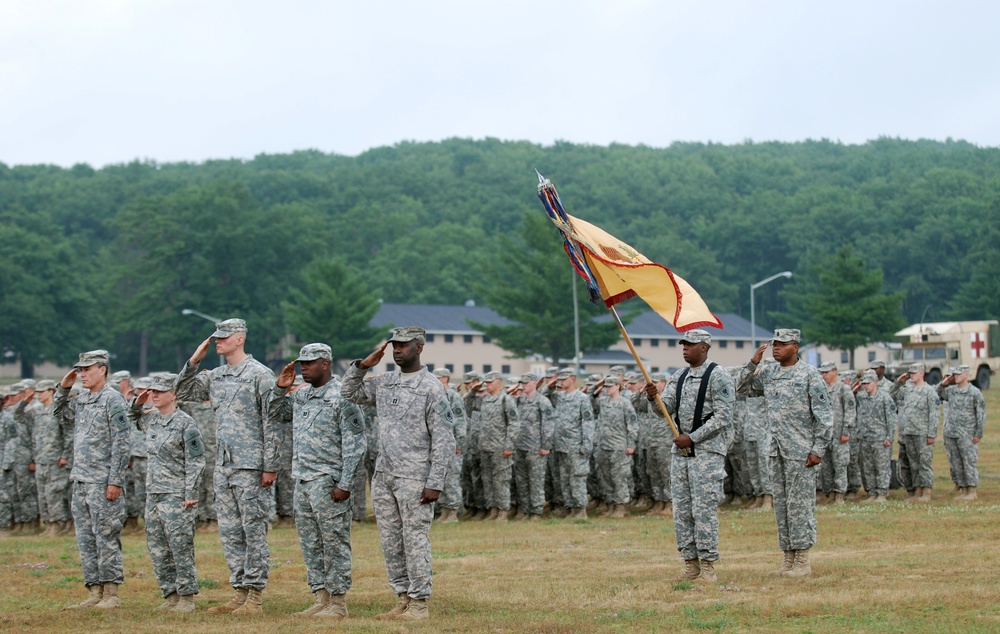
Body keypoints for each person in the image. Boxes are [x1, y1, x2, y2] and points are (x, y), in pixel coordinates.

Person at [341, 326, 456, 622]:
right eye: (394, 345)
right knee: (391, 540)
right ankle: (402, 598)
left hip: (415, 478)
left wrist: (435, 483)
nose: (397, 350)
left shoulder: (431, 387)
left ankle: (419, 603)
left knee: (414, 539)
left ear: (419, 347)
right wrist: (363, 365)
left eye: (404, 345)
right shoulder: (386, 382)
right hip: (385, 475)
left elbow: (444, 439)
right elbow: (349, 391)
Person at [174, 318, 279, 615]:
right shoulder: (217, 376)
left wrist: (270, 465)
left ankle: (255, 596)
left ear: (239, 339)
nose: (217, 342)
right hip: (224, 464)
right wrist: (194, 361)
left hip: (251, 465)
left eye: (223, 337)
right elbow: (181, 392)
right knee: (230, 532)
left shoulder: (261, 375)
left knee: (252, 531)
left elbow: (272, 423)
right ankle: (240, 591)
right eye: (216, 337)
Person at [270, 343, 366, 619]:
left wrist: (345, 484)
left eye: (309, 363)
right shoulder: (301, 398)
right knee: (311, 542)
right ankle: (320, 597)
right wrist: (280, 388)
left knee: (334, 541)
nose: (303, 368)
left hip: (328, 481)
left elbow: (356, 444)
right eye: (301, 363)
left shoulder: (342, 397)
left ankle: (338, 602)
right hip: (303, 480)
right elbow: (276, 413)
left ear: (325, 363)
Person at [738, 329, 832, 578]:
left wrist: (818, 449)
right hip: (776, 450)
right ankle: (788, 558)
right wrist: (752, 363)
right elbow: (742, 390)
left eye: (782, 344)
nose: (776, 348)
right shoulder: (769, 373)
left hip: (801, 451)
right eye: (774, 344)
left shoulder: (810, 375)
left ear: (796, 347)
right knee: (781, 506)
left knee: (800, 506)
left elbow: (825, 417)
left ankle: (803, 560)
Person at [644, 330, 734, 583]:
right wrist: (654, 398)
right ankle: (690, 563)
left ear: (704, 348)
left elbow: (724, 416)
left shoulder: (719, 376)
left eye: (690, 345)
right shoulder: (679, 376)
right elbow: (665, 409)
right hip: (681, 455)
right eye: (683, 344)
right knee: (682, 510)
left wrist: (692, 437)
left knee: (703, 510)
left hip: (706, 453)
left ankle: (708, 566)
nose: (685, 349)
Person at [54, 350, 131, 609]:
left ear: (102, 369)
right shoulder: (82, 398)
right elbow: (60, 417)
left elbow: (122, 443)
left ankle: (111, 594)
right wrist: (63, 390)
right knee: (85, 538)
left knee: (106, 535)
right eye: (80, 370)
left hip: (103, 480)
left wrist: (115, 480)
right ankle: (95, 591)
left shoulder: (113, 400)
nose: (82, 374)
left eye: (87, 369)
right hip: (82, 479)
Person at [128, 374, 205, 612]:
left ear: (174, 394)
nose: (155, 395)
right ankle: (170, 595)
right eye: (152, 391)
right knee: (158, 547)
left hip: (176, 494)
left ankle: (186, 597)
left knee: (180, 546)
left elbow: (196, 461)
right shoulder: (153, 421)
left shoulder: (185, 423)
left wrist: (190, 491)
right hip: (155, 493)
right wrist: (138, 402)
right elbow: (132, 418)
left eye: (160, 391)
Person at [15, 380, 71, 536]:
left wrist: (65, 455)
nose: (38, 395)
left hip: (55, 459)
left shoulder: (58, 410)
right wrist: (25, 401)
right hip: (40, 459)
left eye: (41, 392)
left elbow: (68, 434)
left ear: (51, 391)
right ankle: (48, 523)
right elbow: (18, 417)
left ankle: (57, 524)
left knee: (55, 493)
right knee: (42, 494)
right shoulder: (36, 411)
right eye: (37, 392)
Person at [464, 371, 519, 521]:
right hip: (485, 447)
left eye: (490, 382)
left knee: (501, 481)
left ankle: (502, 512)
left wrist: (509, 446)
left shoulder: (506, 400)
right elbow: (468, 409)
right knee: (487, 481)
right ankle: (492, 510)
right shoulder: (485, 400)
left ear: (499, 383)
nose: (487, 385)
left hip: (500, 448)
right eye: (486, 383)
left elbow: (514, 424)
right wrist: (472, 391)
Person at [544, 369, 595, 520]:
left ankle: (580, 510)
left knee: (577, 478)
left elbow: (588, 422)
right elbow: (544, 397)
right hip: (560, 445)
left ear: (572, 379)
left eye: (564, 379)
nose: (561, 381)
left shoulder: (582, 398)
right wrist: (550, 385)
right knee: (564, 479)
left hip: (576, 446)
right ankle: (570, 508)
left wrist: (586, 444)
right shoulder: (559, 397)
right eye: (559, 379)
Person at [890, 363, 940, 502]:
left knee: (924, 463)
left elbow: (934, 415)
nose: (912, 375)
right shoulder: (907, 390)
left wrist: (932, 434)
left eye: (914, 373)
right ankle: (917, 491)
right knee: (913, 464)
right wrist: (898, 383)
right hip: (909, 432)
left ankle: (927, 491)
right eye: (910, 373)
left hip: (923, 433)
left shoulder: (929, 391)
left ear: (922, 373)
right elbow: (892, 395)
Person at [937, 365, 986, 501]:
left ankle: (972, 490)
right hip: (952, 433)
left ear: (966, 375)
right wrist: (943, 384)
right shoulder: (951, 391)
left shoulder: (974, 392)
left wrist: (978, 434)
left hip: (967, 433)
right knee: (957, 463)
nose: (955, 376)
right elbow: (936, 395)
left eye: (958, 374)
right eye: (954, 374)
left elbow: (981, 415)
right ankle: (963, 490)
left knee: (968, 462)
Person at [592, 376, 638, 519]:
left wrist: (631, 444)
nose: (607, 388)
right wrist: (597, 387)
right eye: (606, 386)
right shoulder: (602, 402)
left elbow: (632, 426)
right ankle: (611, 505)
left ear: (618, 386)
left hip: (619, 446)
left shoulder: (625, 403)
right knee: (606, 477)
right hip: (603, 446)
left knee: (619, 477)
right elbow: (591, 399)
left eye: (610, 386)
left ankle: (621, 507)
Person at [512, 373, 554, 521]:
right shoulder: (519, 401)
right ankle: (525, 510)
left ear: (534, 383)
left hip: (536, 448)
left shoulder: (543, 401)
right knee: (521, 481)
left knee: (535, 481)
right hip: (520, 446)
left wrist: (545, 445)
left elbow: (548, 425)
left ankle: (536, 512)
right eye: (521, 383)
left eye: (526, 383)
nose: (522, 385)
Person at [632, 372, 673, 517]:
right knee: (654, 474)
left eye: (656, 382)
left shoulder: (669, 400)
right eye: (651, 382)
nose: (653, 384)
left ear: (664, 383)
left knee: (666, 474)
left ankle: (669, 503)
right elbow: (634, 403)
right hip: (651, 443)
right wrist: (642, 390)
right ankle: (658, 501)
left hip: (665, 443)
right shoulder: (649, 400)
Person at [852, 370, 896, 503]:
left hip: (880, 438)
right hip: (865, 437)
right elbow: (854, 406)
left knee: (881, 466)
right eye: (864, 383)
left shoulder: (885, 398)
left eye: (868, 383)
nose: (866, 386)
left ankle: (882, 493)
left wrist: (889, 437)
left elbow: (891, 420)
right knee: (867, 467)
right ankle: (871, 492)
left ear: (876, 383)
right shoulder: (861, 397)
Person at [817, 363, 856, 505]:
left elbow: (850, 411)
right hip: (825, 435)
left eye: (826, 372)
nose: (824, 375)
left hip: (839, 435)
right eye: (822, 373)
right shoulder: (822, 390)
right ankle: (830, 493)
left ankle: (840, 494)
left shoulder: (844, 389)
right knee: (826, 466)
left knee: (840, 465)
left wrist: (846, 431)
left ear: (835, 372)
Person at [432, 368, 467, 523]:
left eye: (438, 378)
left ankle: (453, 512)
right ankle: (444, 510)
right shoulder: (434, 396)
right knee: (441, 479)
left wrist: (460, 443)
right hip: (438, 445)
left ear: (445, 379)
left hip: (452, 444)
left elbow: (460, 421)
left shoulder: (454, 396)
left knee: (452, 479)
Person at [6, 381, 40, 534]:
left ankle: (31, 522)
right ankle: (20, 522)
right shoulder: (12, 412)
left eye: (14, 395)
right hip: (14, 457)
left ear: (22, 395)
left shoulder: (30, 412)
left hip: (26, 456)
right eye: (10, 396)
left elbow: (34, 437)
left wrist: (33, 459)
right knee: (16, 491)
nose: (11, 398)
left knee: (27, 491)